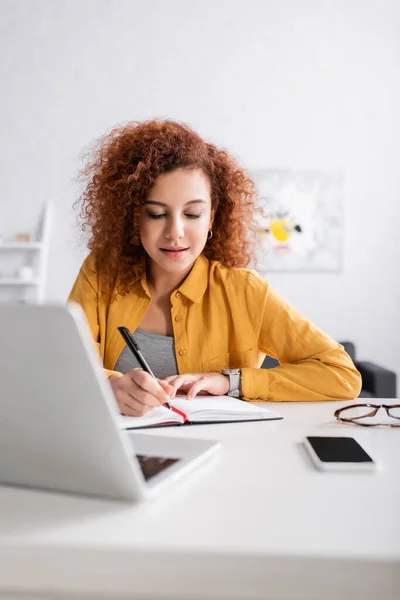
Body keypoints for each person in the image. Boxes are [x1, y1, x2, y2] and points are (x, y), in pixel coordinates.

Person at [68, 119, 361, 416]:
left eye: (192, 214)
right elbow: (61, 364)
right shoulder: (100, 273)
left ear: (211, 218)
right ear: (134, 217)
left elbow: (341, 375)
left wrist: (231, 382)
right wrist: (110, 385)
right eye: (156, 214)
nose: (175, 232)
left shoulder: (244, 289)